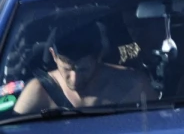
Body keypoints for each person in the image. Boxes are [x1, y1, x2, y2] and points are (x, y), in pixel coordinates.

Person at [13, 21, 151, 113]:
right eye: (66, 69)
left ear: (99, 56)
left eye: (83, 69)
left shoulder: (133, 87)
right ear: (53, 56)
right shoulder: (39, 92)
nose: (74, 80)